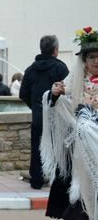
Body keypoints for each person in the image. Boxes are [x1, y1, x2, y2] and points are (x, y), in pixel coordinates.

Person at [44, 32, 98, 220]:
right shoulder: (74, 81)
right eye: (91, 57)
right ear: (84, 61)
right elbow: (58, 103)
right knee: (87, 192)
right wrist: (54, 94)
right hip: (84, 149)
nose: (96, 62)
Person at [20, 35, 69, 190]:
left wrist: (35, 106)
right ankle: (58, 180)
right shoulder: (61, 68)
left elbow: (23, 94)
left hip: (38, 116)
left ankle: (36, 179)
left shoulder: (30, 70)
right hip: (56, 116)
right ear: (55, 50)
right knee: (58, 147)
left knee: (37, 147)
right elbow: (67, 92)